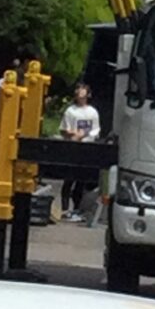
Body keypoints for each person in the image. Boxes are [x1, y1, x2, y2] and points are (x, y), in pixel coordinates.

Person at [58, 81, 101, 222]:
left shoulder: (92, 112)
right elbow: (64, 129)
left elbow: (96, 130)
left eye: (83, 91)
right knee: (68, 179)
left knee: (81, 181)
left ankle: (77, 209)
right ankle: (65, 209)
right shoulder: (70, 111)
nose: (80, 94)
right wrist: (72, 134)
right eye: (78, 91)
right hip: (72, 147)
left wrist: (84, 135)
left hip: (86, 148)